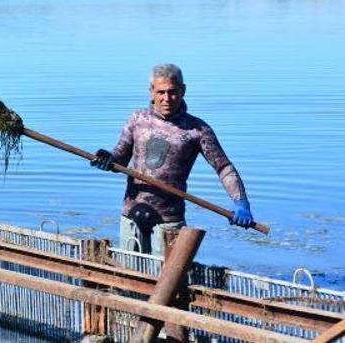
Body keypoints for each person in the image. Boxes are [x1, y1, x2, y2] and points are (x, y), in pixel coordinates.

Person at [92, 64, 254, 256]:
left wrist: (241, 202)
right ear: (151, 92)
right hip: (131, 216)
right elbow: (120, 157)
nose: (166, 98)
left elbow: (224, 168)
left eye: (172, 92)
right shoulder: (137, 120)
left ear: (183, 91)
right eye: (161, 92)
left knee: (171, 280)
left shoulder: (197, 130)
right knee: (131, 279)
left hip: (169, 221)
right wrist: (107, 160)